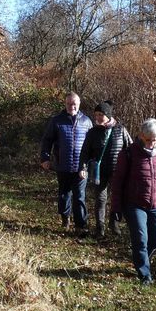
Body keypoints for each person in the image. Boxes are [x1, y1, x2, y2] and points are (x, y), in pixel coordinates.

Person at [111, 118, 156, 283]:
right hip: (134, 204)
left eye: (155, 140)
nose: (151, 144)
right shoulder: (128, 154)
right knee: (140, 239)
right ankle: (144, 274)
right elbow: (117, 182)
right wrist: (116, 207)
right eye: (148, 140)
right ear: (140, 136)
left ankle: (142, 259)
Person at [40, 92, 94, 232]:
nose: (72, 106)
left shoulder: (87, 121)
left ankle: (80, 225)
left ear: (79, 104)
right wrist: (45, 158)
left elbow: (91, 146)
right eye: (69, 104)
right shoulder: (57, 120)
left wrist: (89, 164)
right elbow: (47, 140)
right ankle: (65, 219)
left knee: (80, 196)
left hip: (80, 168)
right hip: (62, 165)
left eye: (74, 104)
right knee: (64, 195)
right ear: (65, 104)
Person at [78, 101, 132, 239]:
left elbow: (130, 150)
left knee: (117, 199)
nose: (98, 117)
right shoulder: (92, 133)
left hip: (117, 172)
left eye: (101, 114)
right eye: (96, 114)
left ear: (108, 115)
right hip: (99, 172)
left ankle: (114, 224)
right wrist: (82, 167)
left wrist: (132, 169)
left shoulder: (121, 130)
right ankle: (99, 228)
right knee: (100, 199)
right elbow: (85, 152)